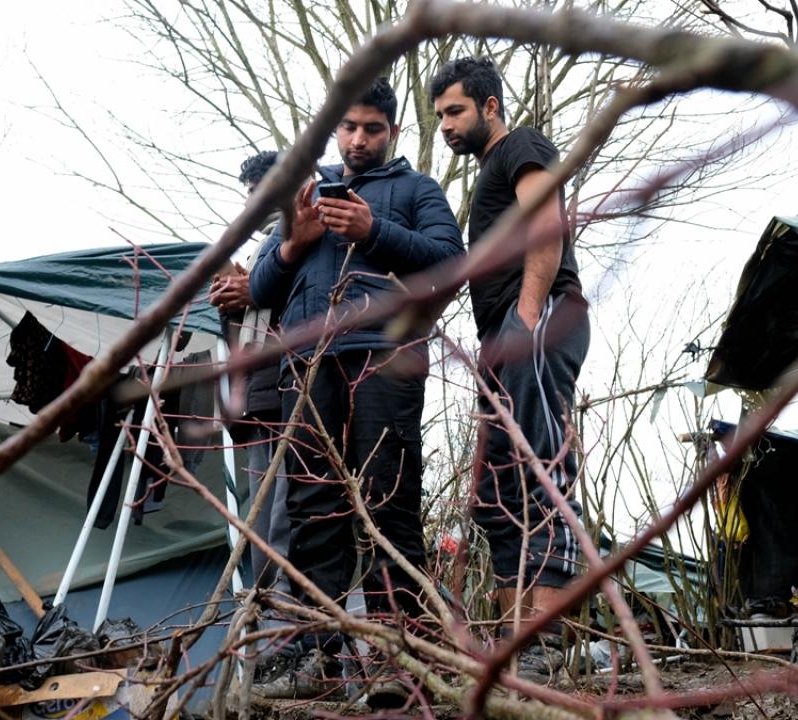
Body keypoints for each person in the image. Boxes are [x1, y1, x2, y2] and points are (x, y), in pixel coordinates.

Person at [248, 78, 463, 702]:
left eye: (372, 128)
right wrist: (294, 243)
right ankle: (321, 661)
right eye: (348, 128)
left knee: (389, 504)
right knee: (314, 511)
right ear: (333, 131)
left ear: (392, 130)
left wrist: (373, 231)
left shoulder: (417, 190)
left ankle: (406, 661)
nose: (359, 138)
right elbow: (261, 286)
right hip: (308, 369)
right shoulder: (305, 193)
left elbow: (452, 262)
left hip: (385, 359)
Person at [431, 57, 591, 684]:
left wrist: (526, 317)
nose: (445, 125)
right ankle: (515, 646)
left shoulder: (519, 144)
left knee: (537, 466)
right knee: (498, 487)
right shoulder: (484, 181)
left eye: (455, 111)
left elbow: (546, 222)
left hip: (540, 318)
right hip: (506, 336)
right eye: (438, 115)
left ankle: (546, 642)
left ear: (490, 105)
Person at [211, 149, 290, 590]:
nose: (251, 205)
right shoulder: (268, 247)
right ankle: (268, 605)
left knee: (281, 504)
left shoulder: (294, 241)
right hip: (264, 396)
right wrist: (233, 298)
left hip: (285, 391)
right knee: (264, 504)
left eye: (259, 193)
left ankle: (278, 605)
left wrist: (250, 291)